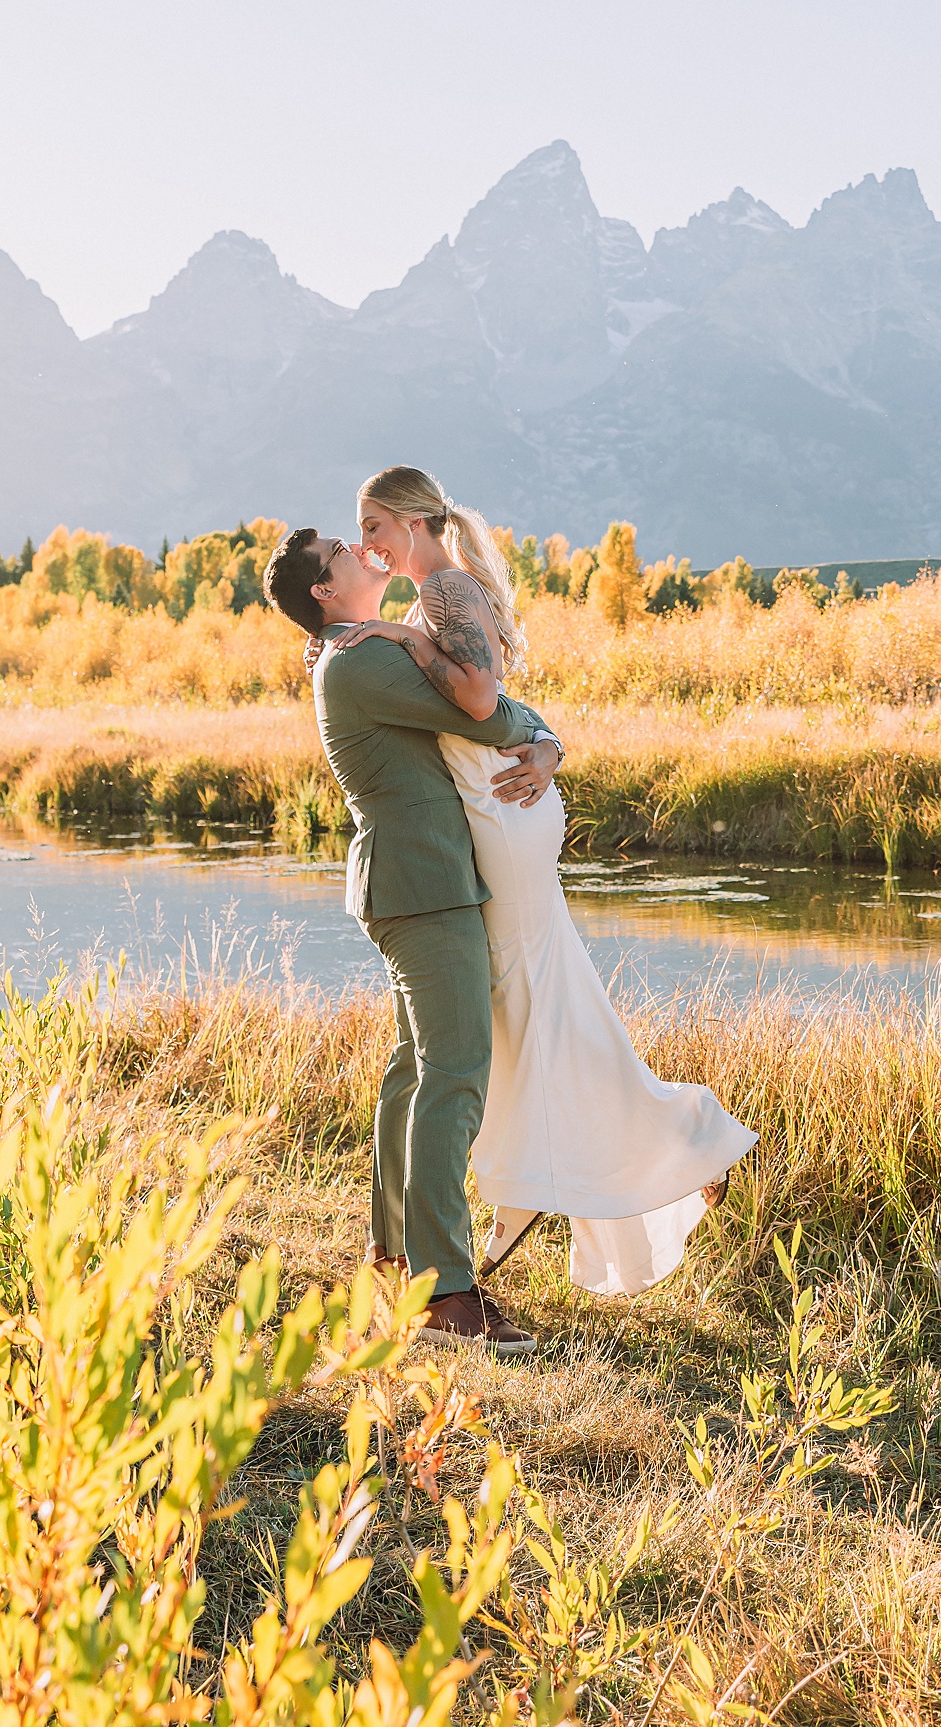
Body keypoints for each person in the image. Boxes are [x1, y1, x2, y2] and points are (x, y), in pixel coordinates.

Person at [330, 465, 756, 1297]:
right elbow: (490, 700)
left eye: (375, 524)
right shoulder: (437, 594)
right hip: (497, 807)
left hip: (504, 814)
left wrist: (405, 641)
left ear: (417, 521)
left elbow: (481, 697)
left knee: (533, 999)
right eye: (362, 530)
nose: (368, 542)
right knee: (526, 1003)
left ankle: (679, 1135)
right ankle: (534, 1182)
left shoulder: (446, 592)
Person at [264, 524, 563, 1358]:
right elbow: (478, 707)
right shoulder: (359, 659)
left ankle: (395, 1256)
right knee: (455, 1070)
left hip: (407, 882)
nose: (359, 550)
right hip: (424, 886)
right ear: (325, 590)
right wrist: (546, 739)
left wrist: (541, 738)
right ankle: (446, 1294)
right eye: (341, 551)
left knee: (413, 1070)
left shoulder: (357, 651)